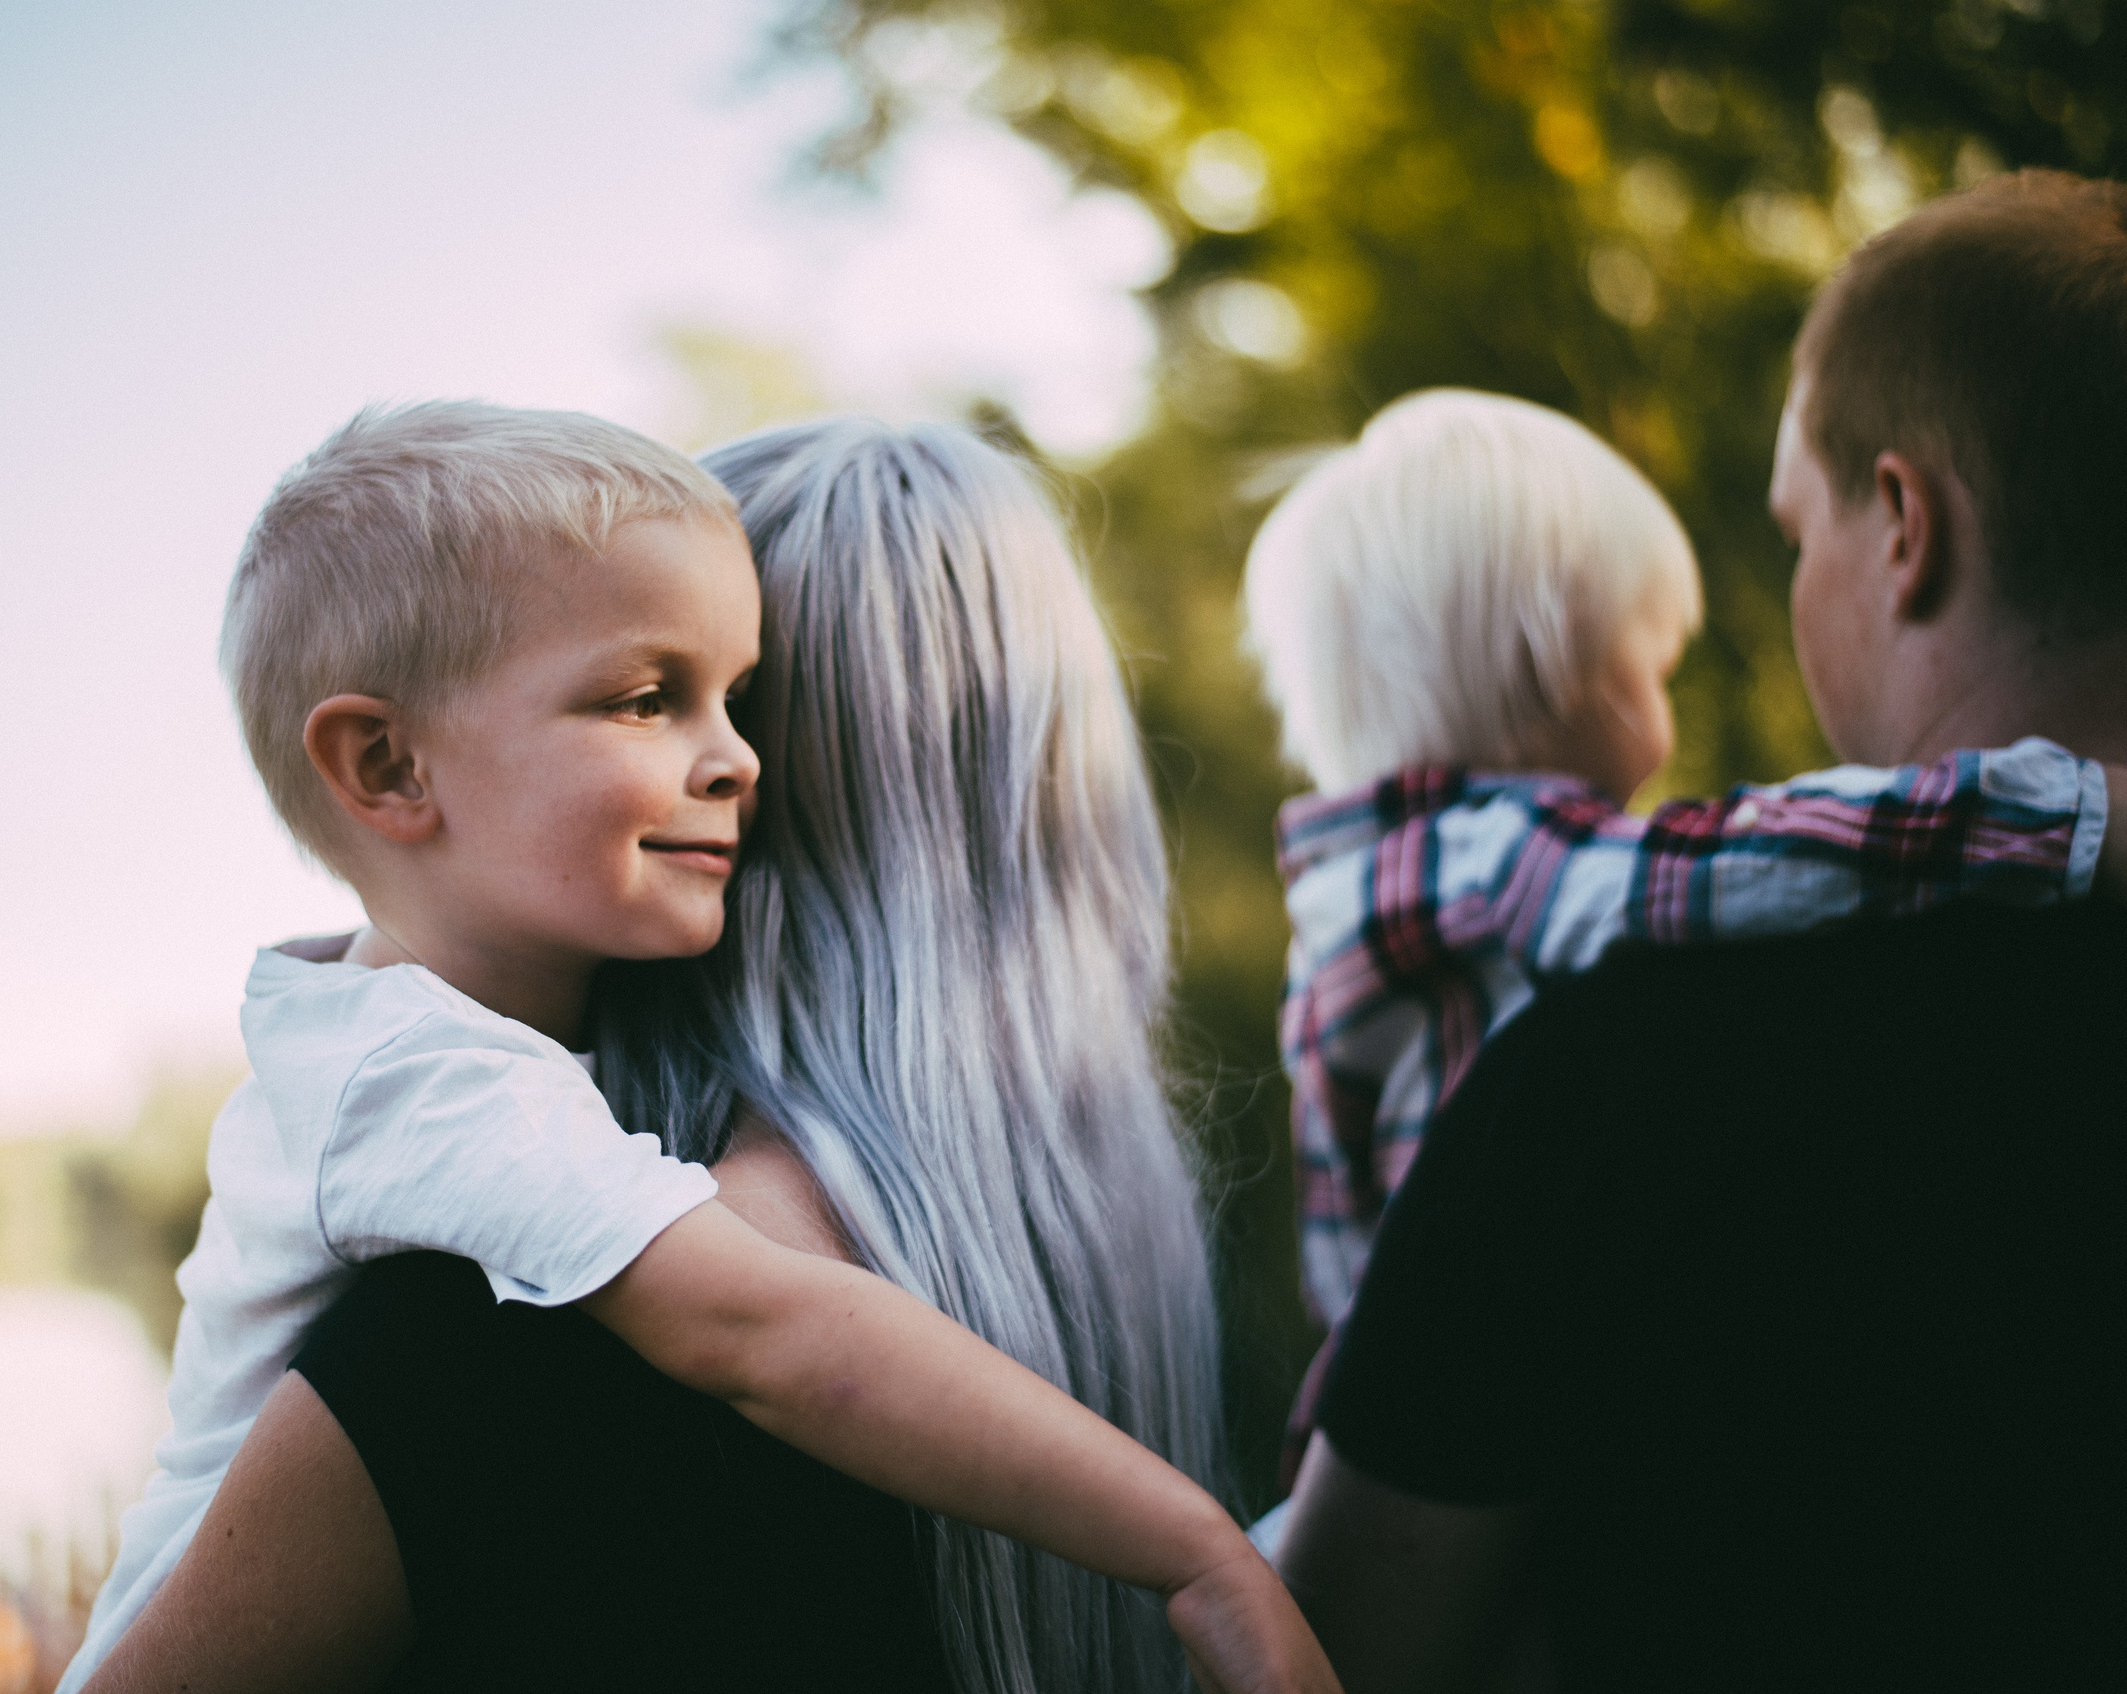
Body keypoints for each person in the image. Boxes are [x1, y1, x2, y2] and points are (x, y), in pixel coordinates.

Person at [65, 405, 1331, 1694]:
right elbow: (764, 1327)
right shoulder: (428, 1096)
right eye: (648, 698)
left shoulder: (399, 1042)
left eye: (743, 696)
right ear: (388, 764)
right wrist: (1199, 1551)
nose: (735, 758)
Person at [1272, 169, 2127, 1691]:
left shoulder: (1609, 1068)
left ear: (1903, 528)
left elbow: (1333, 1649)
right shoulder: (1537, 906)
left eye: (1798, 533)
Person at [1242, 388, 2116, 1338]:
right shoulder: (1507, 873)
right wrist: (2079, 812)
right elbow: (1766, 856)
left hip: (1383, 1433)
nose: (1666, 717)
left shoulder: (1363, 896)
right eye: (1655, 670)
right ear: (1553, 668)